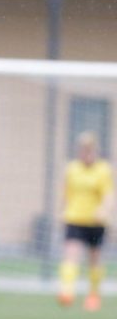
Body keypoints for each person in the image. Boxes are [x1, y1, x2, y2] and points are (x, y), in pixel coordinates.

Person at [57, 131, 114, 312]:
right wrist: (62, 211)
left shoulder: (103, 170)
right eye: (83, 150)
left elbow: (109, 195)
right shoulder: (72, 169)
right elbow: (66, 193)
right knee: (71, 254)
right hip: (74, 219)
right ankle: (67, 291)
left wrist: (104, 210)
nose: (86, 153)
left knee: (94, 260)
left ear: (95, 150)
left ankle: (93, 295)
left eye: (90, 150)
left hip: (96, 223)